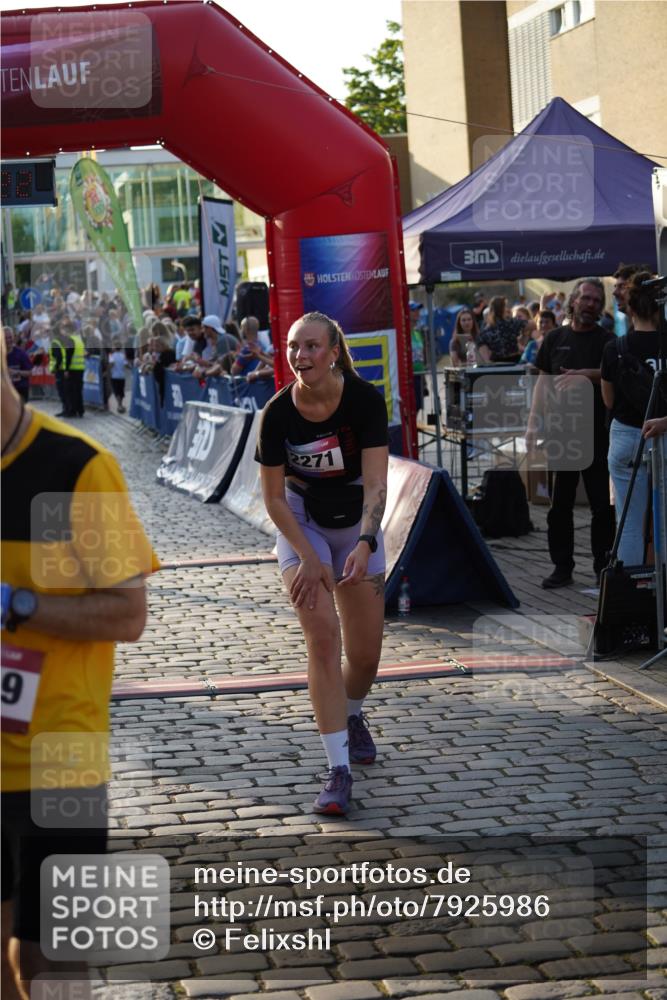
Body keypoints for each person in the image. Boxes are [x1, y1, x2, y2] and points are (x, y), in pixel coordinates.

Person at [0, 335, 158, 998]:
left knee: (52, 962)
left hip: (56, 756)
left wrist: (18, 605)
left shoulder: (75, 465)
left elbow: (127, 614)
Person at [256, 311, 388, 817]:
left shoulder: (363, 400)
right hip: (301, 519)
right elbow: (272, 499)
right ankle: (338, 771)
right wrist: (309, 559)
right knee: (323, 637)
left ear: (333, 352)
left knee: (367, 656)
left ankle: (353, 714)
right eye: (293, 347)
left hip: (356, 522)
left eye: (311, 347)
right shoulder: (276, 413)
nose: (300, 356)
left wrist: (366, 543)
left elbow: (377, 484)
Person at [526, 278, 615, 588]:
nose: (591, 304)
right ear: (573, 302)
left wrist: (585, 376)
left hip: (598, 435)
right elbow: (542, 383)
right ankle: (562, 567)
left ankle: (603, 567)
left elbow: (612, 378)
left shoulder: (608, 341)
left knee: (602, 507)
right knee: (559, 506)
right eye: (586, 299)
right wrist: (532, 422)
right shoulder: (554, 339)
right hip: (561, 435)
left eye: (596, 300)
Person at [601, 272, 661, 565]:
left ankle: (634, 597)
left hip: (627, 436)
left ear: (631, 308)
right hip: (663, 433)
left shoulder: (615, 348)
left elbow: (609, 400)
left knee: (628, 524)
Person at [477, 296, 524, 363]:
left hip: (497, 366)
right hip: (514, 363)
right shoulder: (512, 324)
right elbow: (532, 324)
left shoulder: (485, 332)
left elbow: (486, 360)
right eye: (506, 307)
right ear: (503, 309)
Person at [3, 329, 32, 403]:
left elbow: (30, 372)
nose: (8, 340)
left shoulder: (21, 353)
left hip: (20, 389)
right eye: (5, 338)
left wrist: (16, 372)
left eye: (10, 337)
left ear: (14, 338)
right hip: (5, 391)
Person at [408, 302, 426, 409]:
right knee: (414, 405)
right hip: (410, 376)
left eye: (418, 310)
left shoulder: (417, 333)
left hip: (420, 375)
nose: (417, 313)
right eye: (414, 310)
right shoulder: (404, 333)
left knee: (419, 405)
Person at [109, 340, 129, 413]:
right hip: (122, 376)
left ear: (114, 347)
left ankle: (119, 405)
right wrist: (130, 367)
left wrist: (107, 370)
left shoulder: (111, 355)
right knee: (121, 391)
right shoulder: (123, 355)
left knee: (116, 391)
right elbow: (126, 365)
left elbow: (111, 364)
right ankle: (120, 404)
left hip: (114, 376)